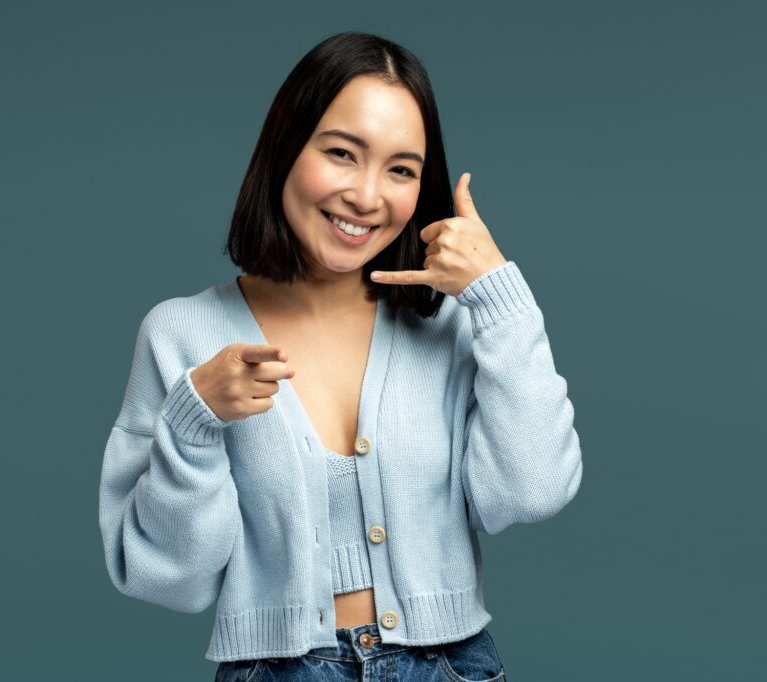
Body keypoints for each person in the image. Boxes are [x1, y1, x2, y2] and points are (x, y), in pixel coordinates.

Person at [98, 31, 583, 681]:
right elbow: (169, 579)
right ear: (286, 146)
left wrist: (500, 298)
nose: (367, 196)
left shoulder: (452, 325)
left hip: (450, 665)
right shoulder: (182, 333)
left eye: (401, 170)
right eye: (341, 154)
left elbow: (530, 493)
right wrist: (193, 423)